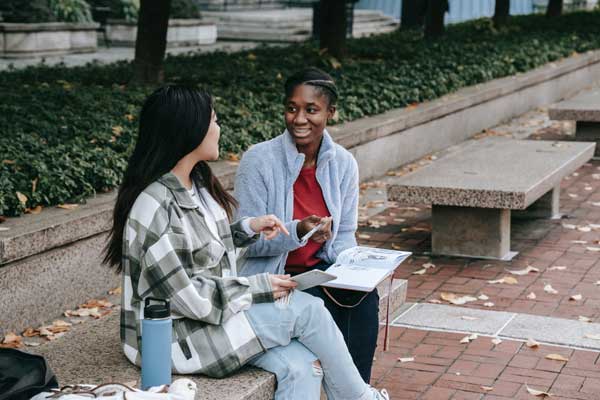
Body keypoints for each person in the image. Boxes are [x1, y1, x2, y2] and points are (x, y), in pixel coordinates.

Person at [103, 85, 389, 400]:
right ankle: (360, 397)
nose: (218, 128)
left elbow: (201, 248)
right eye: (213, 120)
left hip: (214, 317)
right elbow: (190, 297)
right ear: (189, 129)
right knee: (309, 310)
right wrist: (259, 287)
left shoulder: (196, 185)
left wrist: (246, 229)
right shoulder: (154, 205)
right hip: (176, 336)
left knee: (303, 366)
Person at [234, 67, 379, 383]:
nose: (299, 119)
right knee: (323, 307)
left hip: (320, 274)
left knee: (364, 297)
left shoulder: (343, 163)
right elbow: (246, 241)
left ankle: (357, 388)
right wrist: (298, 230)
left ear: (331, 112)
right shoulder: (258, 161)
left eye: (311, 109)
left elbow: (343, 234)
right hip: (273, 278)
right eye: (291, 108)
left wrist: (354, 268)